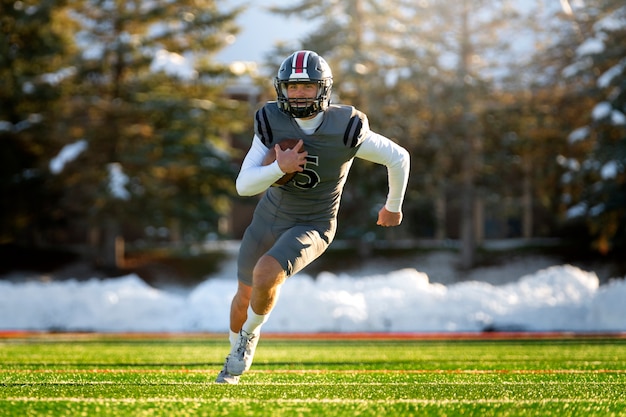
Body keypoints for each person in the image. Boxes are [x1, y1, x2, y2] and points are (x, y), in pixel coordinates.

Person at [216, 50, 410, 384]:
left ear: (323, 88)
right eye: (292, 87)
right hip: (267, 218)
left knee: (266, 274)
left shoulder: (346, 127)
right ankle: (234, 362)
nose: (299, 93)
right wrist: (280, 167)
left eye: (307, 86)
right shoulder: (271, 120)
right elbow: (244, 185)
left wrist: (393, 206)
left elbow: (399, 157)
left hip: (313, 224)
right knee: (242, 298)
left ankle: (248, 337)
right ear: (282, 89)